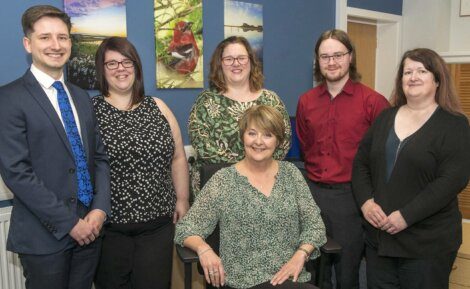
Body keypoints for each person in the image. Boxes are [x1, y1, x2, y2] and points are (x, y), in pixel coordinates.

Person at [0, 5, 110, 289]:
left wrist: (99, 210)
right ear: (28, 43)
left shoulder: (82, 96)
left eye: (63, 37)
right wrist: (70, 223)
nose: (56, 45)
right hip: (44, 238)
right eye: (45, 37)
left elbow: (99, 158)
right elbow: (16, 172)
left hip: (90, 233)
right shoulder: (9, 99)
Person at [352, 48, 470, 289]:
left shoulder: (454, 124)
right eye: (407, 72)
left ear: (437, 80)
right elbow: (361, 164)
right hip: (381, 241)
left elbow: (451, 181)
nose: (413, 77)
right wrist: (366, 202)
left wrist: (406, 216)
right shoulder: (385, 117)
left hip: (427, 245)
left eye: (421, 71)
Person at [176, 105, 326, 289]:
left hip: (289, 278)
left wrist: (301, 255)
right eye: (252, 133)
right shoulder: (224, 180)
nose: (259, 142)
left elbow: (315, 225)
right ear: (242, 137)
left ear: (277, 141)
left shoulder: (291, 174)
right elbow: (186, 228)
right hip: (243, 282)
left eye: (268, 135)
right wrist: (204, 249)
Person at [92, 37, 190, 289]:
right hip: (110, 228)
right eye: (111, 63)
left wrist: (182, 199)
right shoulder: (90, 112)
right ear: (101, 70)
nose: (120, 68)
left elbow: (178, 157)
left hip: (158, 226)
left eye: (126, 62)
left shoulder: (158, 107)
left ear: (136, 67)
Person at [295, 29, 390, 289]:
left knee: (347, 271)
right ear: (318, 61)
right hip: (311, 194)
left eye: (338, 55)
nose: (332, 62)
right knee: (311, 268)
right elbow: (306, 146)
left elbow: (382, 158)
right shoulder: (306, 102)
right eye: (325, 56)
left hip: (352, 199)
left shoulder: (374, 102)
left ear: (350, 57)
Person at [188, 36, 291, 197]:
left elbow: (283, 142)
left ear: (251, 61)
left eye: (241, 58)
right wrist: (242, 171)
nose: (236, 63)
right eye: (229, 59)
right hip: (215, 187)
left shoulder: (271, 100)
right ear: (220, 64)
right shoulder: (205, 101)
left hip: (263, 184)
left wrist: (255, 170)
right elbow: (201, 144)